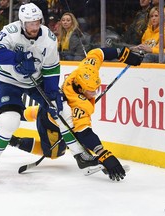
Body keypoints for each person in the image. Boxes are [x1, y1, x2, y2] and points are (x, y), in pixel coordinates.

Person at [0, 3, 99, 183]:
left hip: (35, 81)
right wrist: (16, 58)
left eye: (37, 22)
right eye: (30, 23)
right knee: (9, 121)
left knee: (63, 112)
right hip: (9, 81)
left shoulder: (49, 38)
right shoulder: (11, 31)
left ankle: (80, 156)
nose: (34, 27)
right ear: (22, 22)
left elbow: (51, 68)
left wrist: (52, 93)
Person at [9, 47, 143, 181]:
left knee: (44, 114)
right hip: (50, 121)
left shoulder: (85, 70)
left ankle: (17, 113)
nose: (94, 93)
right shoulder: (79, 104)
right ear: (79, 88)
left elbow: (98, 53)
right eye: (90, 91)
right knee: (54, 153)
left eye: (96, 88)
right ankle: (16, 141)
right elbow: (84, 132)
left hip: (50, 107)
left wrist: (123, 53)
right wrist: (104, 154)